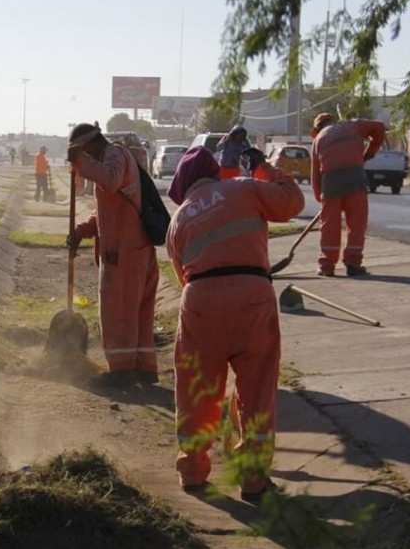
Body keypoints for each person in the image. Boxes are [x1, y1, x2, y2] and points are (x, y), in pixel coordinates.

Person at [165, 145, 304, 500]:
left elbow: (182, 276)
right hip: (252, 295)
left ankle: (193, 470)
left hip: (199, 299)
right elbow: (292, 202)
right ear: (214, 173)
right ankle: (254, 479)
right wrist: (262, 167)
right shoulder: (244, 187)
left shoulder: (179, 219)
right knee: (257, 389)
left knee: (197, 388)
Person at [66, 122, 159, 387]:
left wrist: (81, 161)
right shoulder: (112, 158)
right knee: (137, 314)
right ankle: (144, 369)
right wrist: (81, 231)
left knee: (118, 313)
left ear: (91, 144)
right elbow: (107, 213)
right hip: (132, 249)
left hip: (124, 253)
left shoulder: (114, 155)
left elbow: (111, 180)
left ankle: (121, 372)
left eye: (85, 152)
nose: (86, 159)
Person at [310, 112, 386, 277]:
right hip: (355, 179)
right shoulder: (353, 125)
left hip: (331, 183)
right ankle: (353, 263)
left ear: (318, 128)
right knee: (357, 224)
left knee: (329, 227)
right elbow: (380, 127)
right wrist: (369, 152)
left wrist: (320, 198)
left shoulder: (318, 140)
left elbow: (315, 175)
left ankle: (326, 266)